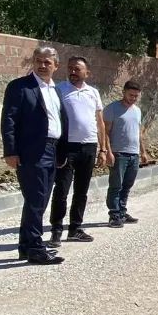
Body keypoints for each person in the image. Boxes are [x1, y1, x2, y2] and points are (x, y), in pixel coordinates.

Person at [1, 47, 68, 265]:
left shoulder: (55, 90)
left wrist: (61, 152)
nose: (42, 65)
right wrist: (10, 151)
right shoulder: (20, 87)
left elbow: (59, 120)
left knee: (39, 200)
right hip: (32, 152)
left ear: (56, 66)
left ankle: (26, 247)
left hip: (52, 150)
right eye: (38, 61)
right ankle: (36, 248)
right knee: (36, 199)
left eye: (47, 62)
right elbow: (9, 120)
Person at [50, 56, 111, 245]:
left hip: (89, 147)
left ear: (87, 73)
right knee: (61, 190)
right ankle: (56, 230)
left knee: (81, 191)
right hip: (67, 147)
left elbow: (100, 122)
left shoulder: (93, 92)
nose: (73, 72)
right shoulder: (59, 90)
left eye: (77, 69)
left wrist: (103, 149)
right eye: (70, 68)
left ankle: (75, 228)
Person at [103, 80, 145, 228]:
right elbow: (105, 132)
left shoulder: (137, 110)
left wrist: (143, 152)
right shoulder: (112, 108)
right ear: (123, 92)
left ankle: (122, 211)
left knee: (127, 185)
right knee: (116, 185)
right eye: (131, 95)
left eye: (136, 96)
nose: (133, 98)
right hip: (118, 153)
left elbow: (139, 133)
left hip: (134, 153)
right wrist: (108, 152)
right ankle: (114, 215)